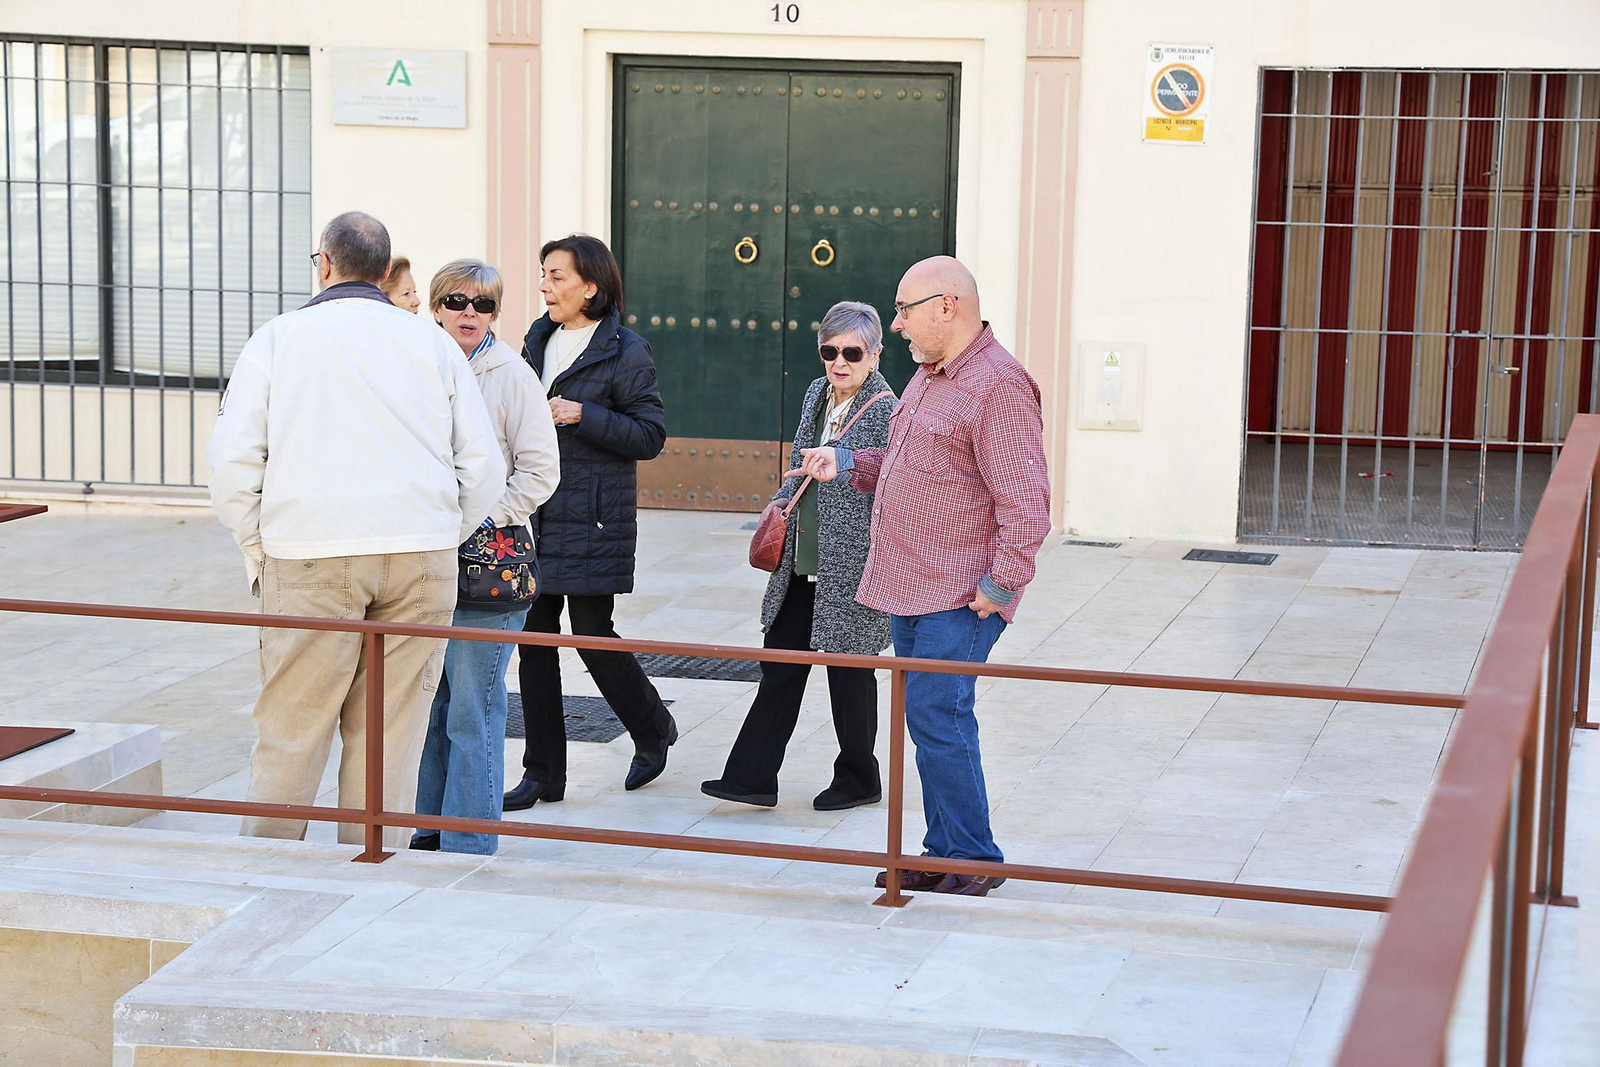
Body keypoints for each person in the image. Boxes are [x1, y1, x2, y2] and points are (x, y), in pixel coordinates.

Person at [207, 211, 503, 849]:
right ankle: (374, 870)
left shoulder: (279, 339)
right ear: (385, 271)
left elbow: (233, 464)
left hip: (311, 551)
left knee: (292, 725)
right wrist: (442, 534)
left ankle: (266, 871)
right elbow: (483, 466)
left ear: (326, 265)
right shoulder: (431, 345)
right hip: (420, 552)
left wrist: (259, 546)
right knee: (392, 734)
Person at [791, 256, 1051, 897]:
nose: (898, 326)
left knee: (941, 713)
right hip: (909, 582)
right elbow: (909, 466)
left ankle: (971, 857)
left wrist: (999, 585)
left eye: (906, 311)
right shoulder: (929, 378)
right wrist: (848, 462)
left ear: (948, 306)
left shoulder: (1000, 385)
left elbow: (1028, 503)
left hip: (959, 592)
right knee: (928, 718)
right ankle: (944, 850)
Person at [503, 233, 676, 810]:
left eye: (556, 276)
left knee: (592, 634)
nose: (545, 286)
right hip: (538, 510)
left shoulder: (626, 350)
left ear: (591, 286)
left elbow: (650, 436)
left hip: (594, 516)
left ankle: (651, 727)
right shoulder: (536, 339)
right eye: (543, 273)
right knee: (535, 638)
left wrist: (584, 413)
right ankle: (543, 773)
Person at [701, 301, 896, 810]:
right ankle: (751, 777)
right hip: (800, 558)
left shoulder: (889, 410)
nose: (839, 362)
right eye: (829, 351)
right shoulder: (816, 394)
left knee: (850, 672)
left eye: (852, 352)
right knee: (781, 664)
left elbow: (891, 477)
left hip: (850, 564)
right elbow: (798, 463)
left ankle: (859, 778)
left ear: (875, 354)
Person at [411, 259, 561, 854]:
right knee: (427, 704)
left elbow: (541, 470)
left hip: (487, 564)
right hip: (422, 559)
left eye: (484, 304)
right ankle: (425, 826)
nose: (469, 313)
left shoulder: (512, 375)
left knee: (474, 705)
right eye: (455, 301)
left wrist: (483, 516)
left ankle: (470, 838)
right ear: (435, 306)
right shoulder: (415, 363)